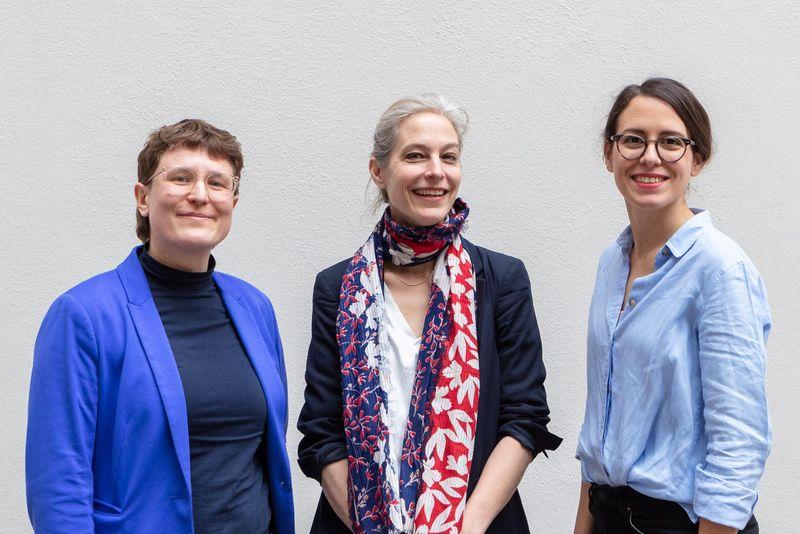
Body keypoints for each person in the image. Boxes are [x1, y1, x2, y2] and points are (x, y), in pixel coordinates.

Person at [297, 95, 561, 534]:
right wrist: (369, 524)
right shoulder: (337, 287)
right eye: (415, 155)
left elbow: (525, 416)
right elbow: (322, 432)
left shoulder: (501, 279)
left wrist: (467, 526)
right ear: (379, 171)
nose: (435, 171)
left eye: (449, 157)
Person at [26, 119, 294, 533]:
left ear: (233, 203)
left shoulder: (255, 308)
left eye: (218, 183)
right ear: (143, 198)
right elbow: (58, 482)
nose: (200, 195)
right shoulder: (84, 315)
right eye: (181, 178)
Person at [573, 78, 771, 534]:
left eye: (672, 142)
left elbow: (738, 447)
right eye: (633, 140)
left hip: (681, 524)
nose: (650, 156)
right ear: (609, 154)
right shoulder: (613, 261)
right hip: (609, 514)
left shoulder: (720, 270)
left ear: (697, 159)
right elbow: (600, 426)